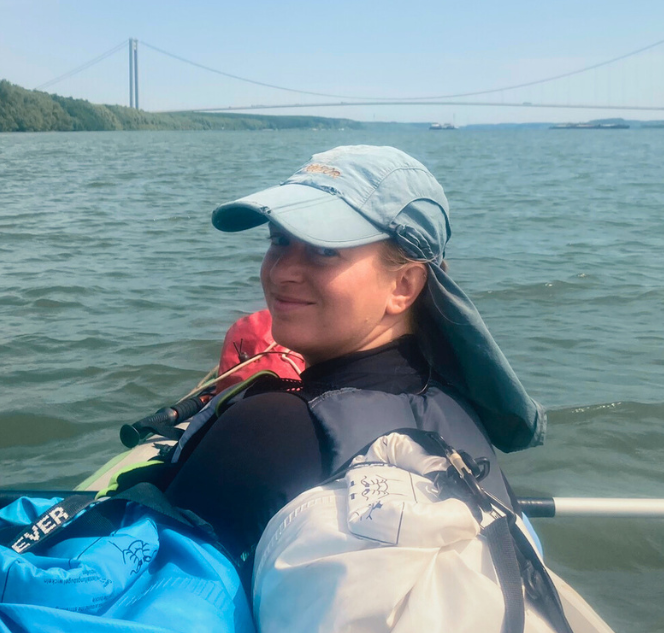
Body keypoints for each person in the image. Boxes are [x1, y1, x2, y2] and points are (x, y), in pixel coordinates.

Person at [165, 144, 544, 573]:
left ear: (403, 286)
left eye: (325, 250)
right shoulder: (459, 406)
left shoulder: (271, 429)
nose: (281, 270)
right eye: (279, 240)